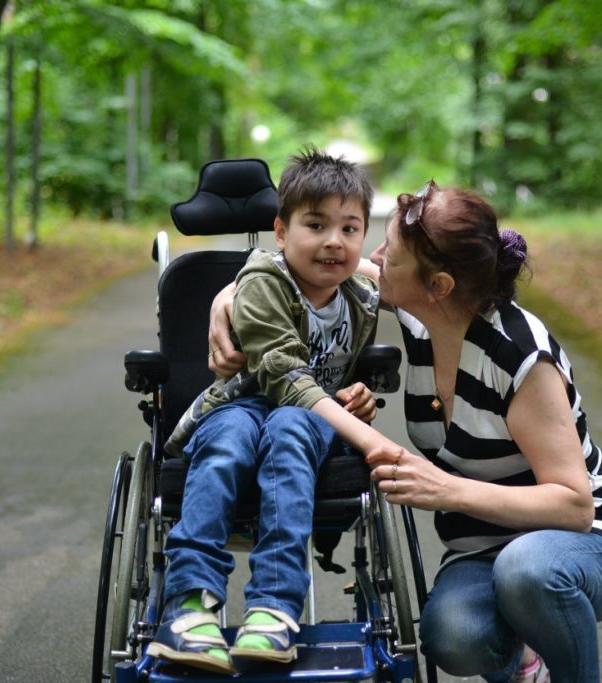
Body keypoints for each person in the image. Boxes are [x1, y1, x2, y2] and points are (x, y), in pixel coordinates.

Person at [208, 180, 602, 683]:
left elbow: (573, 506)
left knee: (528, 572)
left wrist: (445, 489)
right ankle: (524, 667)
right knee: (451, 636)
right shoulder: (422, 315)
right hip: (483, 548)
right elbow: (296, 272)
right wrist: (226, 299)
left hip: (594, 535)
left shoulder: (519, 357)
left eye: (392, 254)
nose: (374, 257)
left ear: (439, 285)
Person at [148, 147, 396, 675]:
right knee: (234, 438)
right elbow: (287, 382)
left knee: (291, 427)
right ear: (281, 232)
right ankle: (191, 604)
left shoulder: (361, 296)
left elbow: (418, 288)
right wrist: (370, 438)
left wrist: (358, 392)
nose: (334, 241)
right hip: (240, 402)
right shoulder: (260, 284)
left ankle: (274, 607)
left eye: (350, 229)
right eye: (316, 225)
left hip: (303, 418)